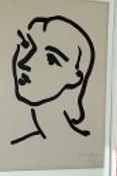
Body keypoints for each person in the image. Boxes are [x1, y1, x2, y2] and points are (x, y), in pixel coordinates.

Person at [10, 15, 95, 145]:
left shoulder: (79, 145)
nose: (24, 62)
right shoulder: (21, 145)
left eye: (51, 59)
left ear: (75, 78)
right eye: (26, 45)